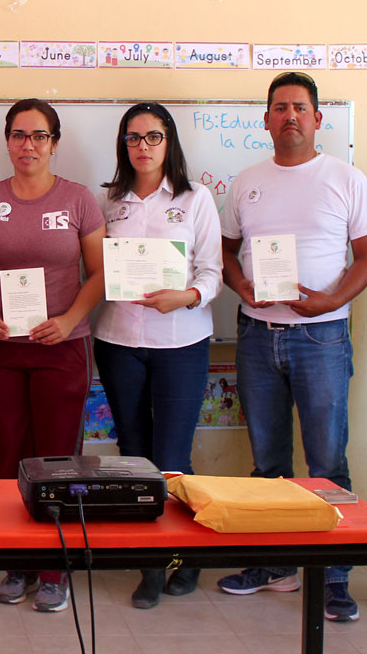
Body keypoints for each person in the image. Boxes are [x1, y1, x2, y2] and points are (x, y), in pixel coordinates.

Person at [217, 72, 367, 622]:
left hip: (322, 336)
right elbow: (226, 250)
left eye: (300, 107)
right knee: (268, 462)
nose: (290, 115)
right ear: (266, 119)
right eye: (280, 107)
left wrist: (331, 300)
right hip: (257, 335)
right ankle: (276, 565)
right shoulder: (246, 182)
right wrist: (240, 285)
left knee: (328, 461)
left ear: (317, 118)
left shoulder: (345, 178)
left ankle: (333, 577)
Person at [0, 98, 104, 612]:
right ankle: (18, 561)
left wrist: (68, 320)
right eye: (19, 135)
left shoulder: (79, 199)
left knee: (58, 461)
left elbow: (99, 274)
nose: (29, 145)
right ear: (7, 141)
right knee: (11, 459)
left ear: (54, 143)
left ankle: (54, 569)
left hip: (61, 348)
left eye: (40, 135)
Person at [92, 102, 222, 608]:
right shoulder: (107, 201)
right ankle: (149, 564)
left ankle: (182, 557)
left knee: (172, 460)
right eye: (133, 137)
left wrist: (185, 296)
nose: (142, 146)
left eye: (153, 136)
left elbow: (212, 272)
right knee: (133, 457)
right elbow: (93, 267)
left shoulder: (195, 198)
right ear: (122, 144)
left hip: (181, 343)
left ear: (169, 143)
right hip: (119, 341)